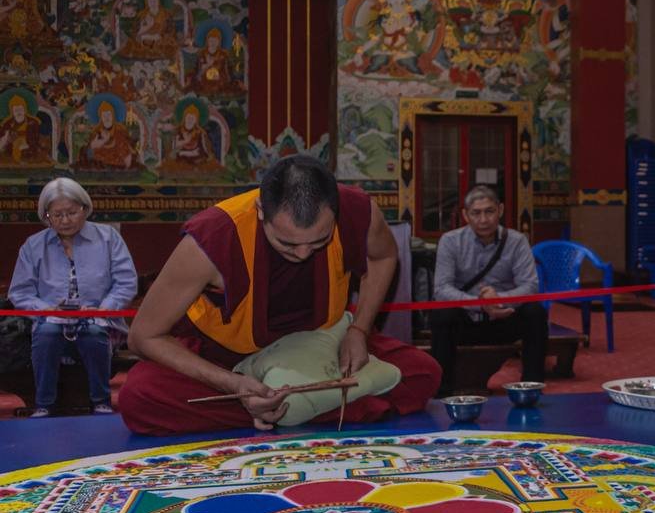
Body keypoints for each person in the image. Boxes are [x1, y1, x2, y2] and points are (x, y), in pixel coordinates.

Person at [119, 155, 442, 434]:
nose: (303, 254)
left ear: (335, 212)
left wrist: (359, 329)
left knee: (423, 372)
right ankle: (305, 405)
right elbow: (143, 336)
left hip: (323, 345)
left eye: (318, 242)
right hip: (231, 359)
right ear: (261, 210)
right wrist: (234, 386)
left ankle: (283, 409)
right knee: (140, 395)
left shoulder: (358, 210)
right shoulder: (214, 237)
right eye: (287, 243)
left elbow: (383, 256)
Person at [8, 178, 137, 417]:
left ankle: (101, 401)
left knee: (93, 333)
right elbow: (20, 292)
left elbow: (126, 282)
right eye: (56, 215)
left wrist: (103, 310)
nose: (65, 220)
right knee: (47, 333)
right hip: (50, 320)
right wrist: (47, 310)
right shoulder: (34, 246)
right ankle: (44, 404)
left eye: (71, 213)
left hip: (100, 319)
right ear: (46, 216)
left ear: (85, 209)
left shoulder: (108, 238)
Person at [429, 185, 547, 396]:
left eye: (489, 211)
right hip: (466, 319)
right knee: (442, 314)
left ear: (500, 210)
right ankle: (442, 392)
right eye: (476, 213)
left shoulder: (517, 241)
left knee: (535, 313)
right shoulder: (450, 241)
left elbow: (530, 286)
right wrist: (479, 303)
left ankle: (531, 389)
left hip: (504, 318)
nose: (483, 220)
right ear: (465, 215)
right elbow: (441, 288)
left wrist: (498, 300)